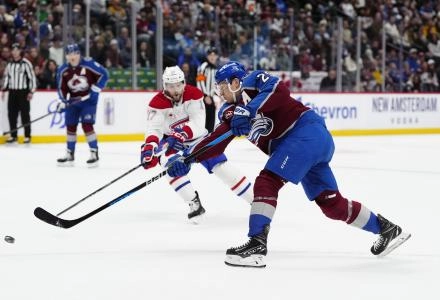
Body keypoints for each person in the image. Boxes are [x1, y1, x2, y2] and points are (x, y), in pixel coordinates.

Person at [166, 61, 411, 267]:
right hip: (302, 146)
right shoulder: (231, 112)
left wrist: (249, 110)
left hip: (305, 133)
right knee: (330, 203)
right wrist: (187, 158)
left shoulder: (253, 80)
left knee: (267, 182)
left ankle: (256, 245)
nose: (219, 92)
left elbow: (278, 89)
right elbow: (215, 141)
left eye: (221, 86)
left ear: (234, 82)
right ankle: (386, 229)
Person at [141, 65, 252, 223]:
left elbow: (199, 124)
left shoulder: (194, 94)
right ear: (165, 86)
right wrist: (149, 148)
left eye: (178, 85)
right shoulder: (156, 103)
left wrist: (180, 134)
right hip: (173, 144)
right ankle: (194, 203)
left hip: (199, 139)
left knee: (221, 167)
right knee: (170, 167)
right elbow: (154, 129)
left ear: (184, 82)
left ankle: (255, 200)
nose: (176, 89)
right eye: (171, 86)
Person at [55, 43, 109, 167]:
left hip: (88, 101)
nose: (72, 56)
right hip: (73, 101)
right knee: (70, 126)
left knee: (87, 125)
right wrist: (62, 101)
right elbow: (61, 88)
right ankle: (70, 153)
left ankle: (94, 153)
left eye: (74, 53)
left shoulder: (89, 64)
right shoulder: (63, 70)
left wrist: (96, 88)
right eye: (69, 54)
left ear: (79, 54)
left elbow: (104, 74)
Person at [1, 43, 36, 143]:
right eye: (13, 50)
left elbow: (32, 78)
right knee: (11, 114)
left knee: (25, 114)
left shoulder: (26, 63)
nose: (15, 52)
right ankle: (14, 135)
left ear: (20, 51)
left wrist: (31, 92)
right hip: (12, 91)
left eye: (17, 50)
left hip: (23, 92)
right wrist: (4, 89)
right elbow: (7, 77)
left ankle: (27, 135)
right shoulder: (10, 64)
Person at [197, 47, 219, 132]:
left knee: (211, 120)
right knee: (205, 120)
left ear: (217, 56)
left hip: (210, 97)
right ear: (207, 56)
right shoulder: (203, 66)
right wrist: (205, 95)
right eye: (210, 55)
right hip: (204, 98)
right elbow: (199, 81)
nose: (212, 57)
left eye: (214, 55)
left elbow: (214, 84)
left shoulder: (215, 68)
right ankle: (203, 140)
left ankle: (208, 138)